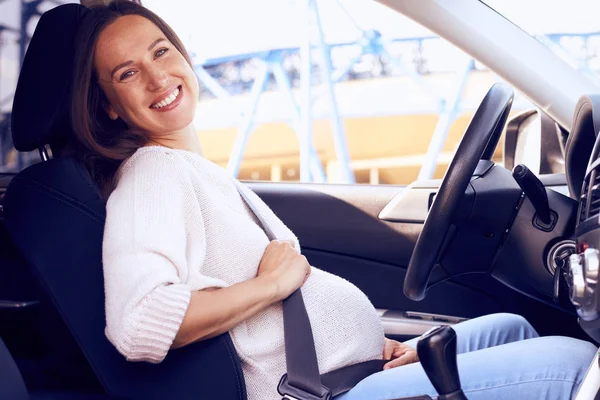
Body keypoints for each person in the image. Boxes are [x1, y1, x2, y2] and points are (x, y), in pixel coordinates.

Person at [69, 1, 597, 399]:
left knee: (516, 329)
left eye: (161, 51)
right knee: (574, 364)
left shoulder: (195, 173)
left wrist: (373, 346)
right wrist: (270, 283)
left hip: (348, 372)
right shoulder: (152, 175)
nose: (159, 76)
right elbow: (139, 324)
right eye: (128, 73)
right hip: (317, 392)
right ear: (111, 107)